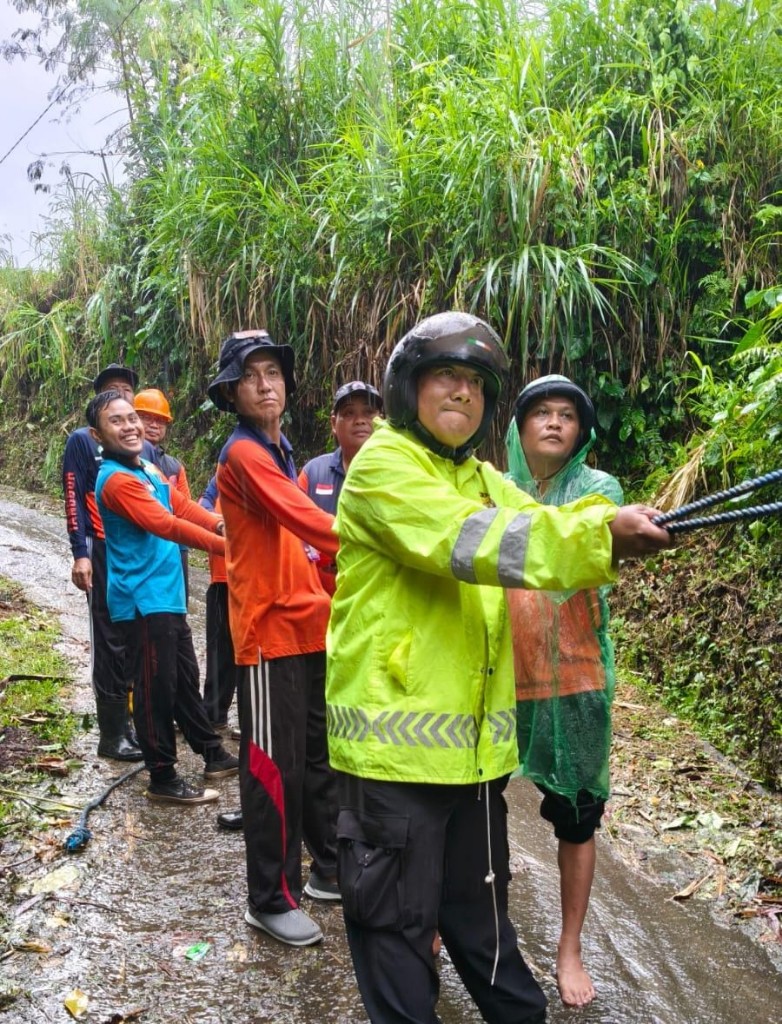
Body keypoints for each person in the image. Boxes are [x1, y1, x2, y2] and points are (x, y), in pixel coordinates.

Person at [325, 311, 673, 1024]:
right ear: (407, 388)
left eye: (476, 384)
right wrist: (603, 536)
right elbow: (482, 541)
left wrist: (612, 525)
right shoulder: (383, 466)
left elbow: (549, 521)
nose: (462, 393)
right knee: (396, 932)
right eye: (445, 376)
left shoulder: (484, 477)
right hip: (394, 765)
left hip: (475, 762)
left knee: (484, 925)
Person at [207, 329, 341, 947]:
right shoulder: (244, 454)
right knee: (271, 766)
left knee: (316, 757)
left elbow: (299, 541)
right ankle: (269, 897)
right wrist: (385, 540)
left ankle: (326, 870)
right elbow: (308, 520)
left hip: (308, 625)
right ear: (233, 392)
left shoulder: (280, 448)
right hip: (267, 636)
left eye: (275, 373)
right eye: (252, 375)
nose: (267, 384)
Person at [505, 375, 622, 1008]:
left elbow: (582, 539)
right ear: (519, 428)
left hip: (576, 676)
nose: (554, 423)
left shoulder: (599, 490)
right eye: (541, 413)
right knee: (471, 805)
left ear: (581, 432)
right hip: (498, 677)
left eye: (567, 415)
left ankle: (569, 946)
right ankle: (462, 919)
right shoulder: (493, 488)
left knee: (576, 819)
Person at [89, 390, 239, 805]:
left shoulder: (149, 470)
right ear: (97, 433)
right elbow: (166, 524)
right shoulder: (116, 479)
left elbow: (183, 506)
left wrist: (221, 524)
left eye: (131, 417)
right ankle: (162, 776)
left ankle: (212, 753)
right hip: (141, 600)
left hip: (167, 597)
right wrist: (229, 548)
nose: (130, 426)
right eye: (116, 421)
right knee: (155, 686)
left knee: (184, 680)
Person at [63, 363, 147, 762]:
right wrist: (80, 552)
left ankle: (132, 725)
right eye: (113, 389)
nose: (123, 395)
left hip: (133, 551)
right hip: (101, 549)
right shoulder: (82, 441)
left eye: (127, 390)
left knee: (133, 636)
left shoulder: (136, 443)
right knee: (108, 638)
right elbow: (73, 494)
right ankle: (111, 734)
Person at [299, 379, 382, 594]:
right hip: (320, 600)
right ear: (333, 424)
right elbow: (293, 537)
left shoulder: (399, 476)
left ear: (382, 421)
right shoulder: (313, 472)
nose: (360, 421)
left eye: (369, 413)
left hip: (374, 598)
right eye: (349, 413)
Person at [134, 387, 192, 599]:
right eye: (146, 418)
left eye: (160, 420)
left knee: (178, 602)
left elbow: (185, 506)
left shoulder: (174, 466)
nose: (153, 425)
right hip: (141, 544)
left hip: (175, 544)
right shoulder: (123, 461)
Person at [198, 474, 242, 734]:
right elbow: (202, 505)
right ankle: (213, 713)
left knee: (250, 650)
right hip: (221, 576)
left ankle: (250, 719)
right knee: (219, 649)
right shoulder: (218, 478)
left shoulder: (271, 472)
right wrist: (220, 523)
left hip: (254, 579)